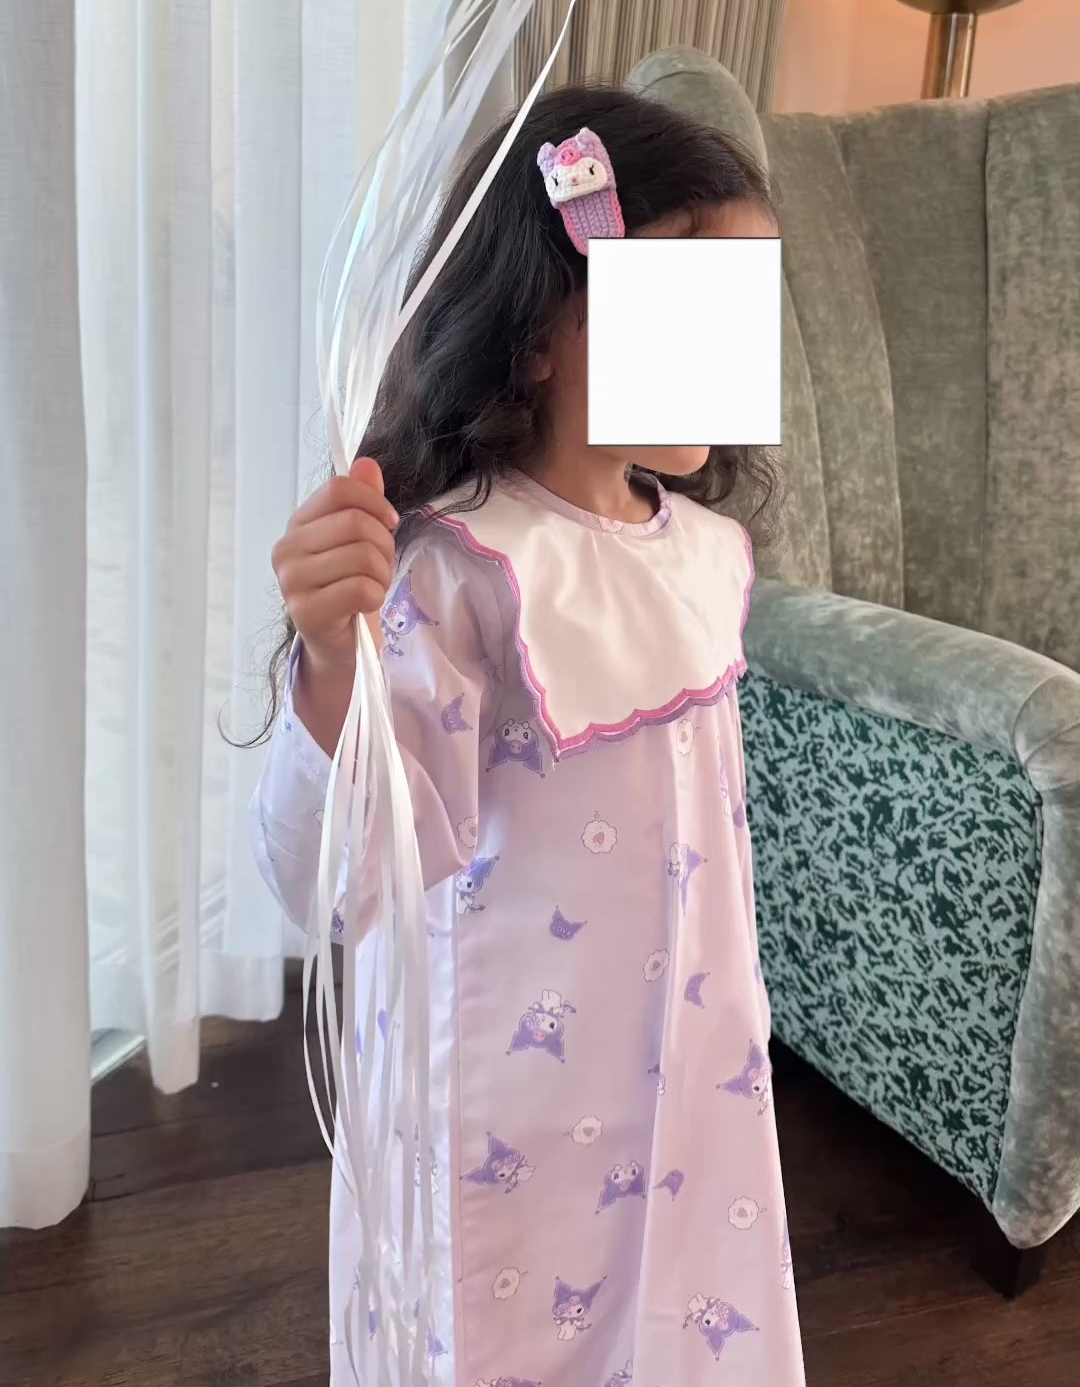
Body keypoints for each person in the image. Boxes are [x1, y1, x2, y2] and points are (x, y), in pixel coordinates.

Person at [249, 84, 805, 1385]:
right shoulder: (464, 572)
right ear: (542, 332)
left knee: (683, 1309)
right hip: (519, 1089)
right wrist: (333, 661)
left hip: (696, 1064)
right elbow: (347, 879)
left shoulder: (706, 553)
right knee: (520, 1329)